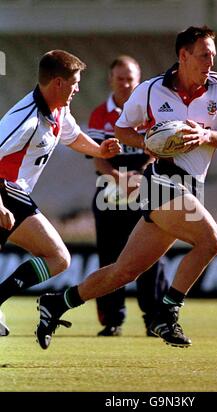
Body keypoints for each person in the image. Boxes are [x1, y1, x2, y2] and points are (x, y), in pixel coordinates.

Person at [36, 26, 217, 349]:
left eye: (213, 55)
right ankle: (167, 313)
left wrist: (207, 136)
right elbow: (121, 130)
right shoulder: (150, 91)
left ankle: (56, 302)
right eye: (205, 55)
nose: (211, 61)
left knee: (122, 272)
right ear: (184, 56)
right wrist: (150, 142)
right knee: (211, 240)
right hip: (162, 181)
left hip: (190, 187)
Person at [0, 50, 121, 336]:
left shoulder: (58, 110)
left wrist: (98, 150)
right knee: (58, 257)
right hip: (5, 191)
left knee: (57, 258)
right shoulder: (24, 119)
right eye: (74, 82)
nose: (78, 88)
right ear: (57, 83)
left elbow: (73, 136)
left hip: (12, 194)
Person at [87, 55, 168, 337]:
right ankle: (112, 320)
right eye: (120, 78)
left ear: (139, 80)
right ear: (111, 80)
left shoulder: (151, 113)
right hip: (109, 195)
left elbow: (156, 151)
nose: (125, 84)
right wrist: (119, 178)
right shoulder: (100, 114)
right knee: (110, 257)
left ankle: (155, 320)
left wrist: (140, 177)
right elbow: (97, 157)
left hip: (147, 190)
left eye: (130, 79)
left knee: (151, 255)